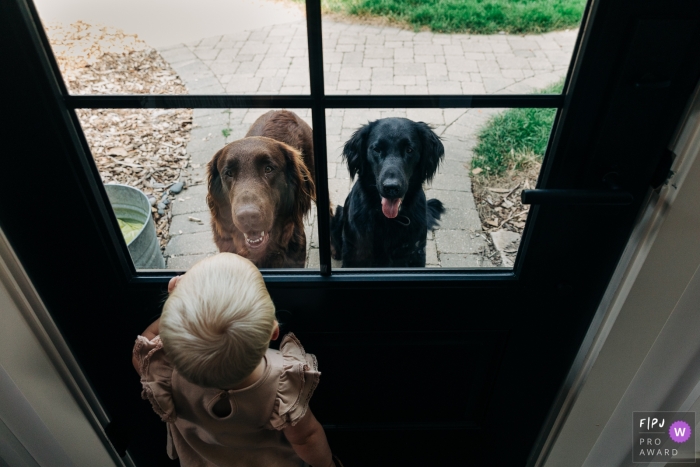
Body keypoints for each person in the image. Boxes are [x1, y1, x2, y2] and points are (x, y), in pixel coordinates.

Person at [132, 253, 337, 467]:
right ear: (273, 332)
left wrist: (174, 307)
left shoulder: (164, 370)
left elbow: (142, 348)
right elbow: (307, 438)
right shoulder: (282, 386)